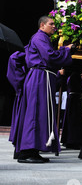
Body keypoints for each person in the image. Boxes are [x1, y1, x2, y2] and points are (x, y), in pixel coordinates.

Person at [15, 16, 73, 163]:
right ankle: (28, 151)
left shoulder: (42, 38)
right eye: (51, 24)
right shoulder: (40, 37)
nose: (54, 27)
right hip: (39, 78)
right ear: (42, 25)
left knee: (39, 113)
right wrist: (66, 50)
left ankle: (32, 149)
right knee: (35, 113)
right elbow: (49, 56)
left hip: (40, 78)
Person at [6, 51, 27, 158]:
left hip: (24, 92)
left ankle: (19, 150)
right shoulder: (24, 55)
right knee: (21, 120)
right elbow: (13, 57)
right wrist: (22, 82)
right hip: (24, 93)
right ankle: (19, 150)